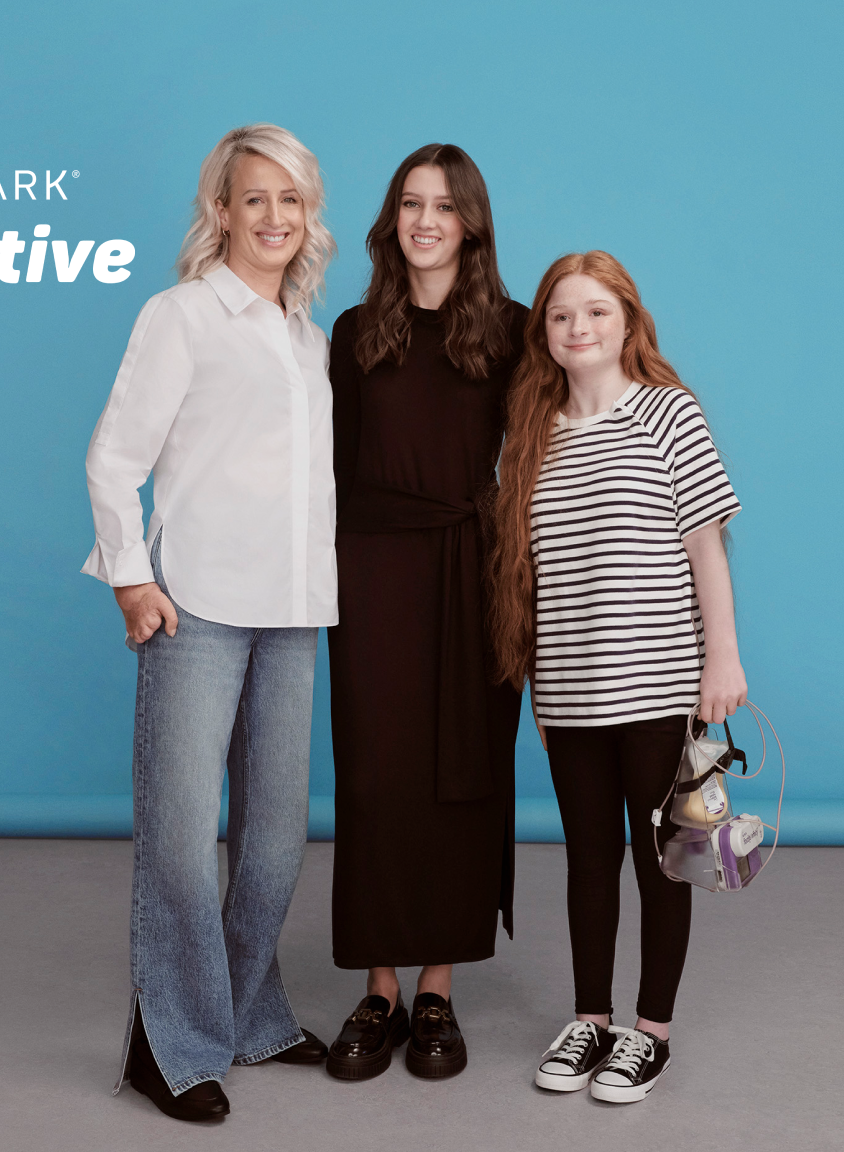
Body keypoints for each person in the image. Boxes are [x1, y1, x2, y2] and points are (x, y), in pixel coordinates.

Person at [81, 123, 337, 1122]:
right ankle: (170, 1045)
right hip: (193, 613)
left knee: (274, 841)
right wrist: (132, 581)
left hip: (295, 614)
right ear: (221, 211)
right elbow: (113, 460)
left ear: (308, 216)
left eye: (292, 200)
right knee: (183, 842)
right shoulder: (180, 315)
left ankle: (242, 1015)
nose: (274, 217)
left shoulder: (312, 339)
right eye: (254, 198)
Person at [489, 251, 746, 1103]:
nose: (579, 328)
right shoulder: (533, 432)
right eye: (562, 316)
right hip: (569, 691)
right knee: (587, 859)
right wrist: (533, 684)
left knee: (660, 859)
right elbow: (534, 571)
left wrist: (723, 657)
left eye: (596, 312)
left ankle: (650, 1032)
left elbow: (705, 545)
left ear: (627, 322)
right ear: (546, 334)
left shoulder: (669, 415)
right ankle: (590, 1020)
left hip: (660, 684)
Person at [325, 144, 526, 1082]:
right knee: (374, 774)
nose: (426, 220)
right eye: (411, 203)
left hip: (475, 573)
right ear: (391, 219)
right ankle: (381, 990)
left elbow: (540, 466)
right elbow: (332, 474)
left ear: (471, 222)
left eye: (444, 206)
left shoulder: (517, 333)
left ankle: (438, 990)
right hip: (370, 572)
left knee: (464, 774)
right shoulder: (355, 330)